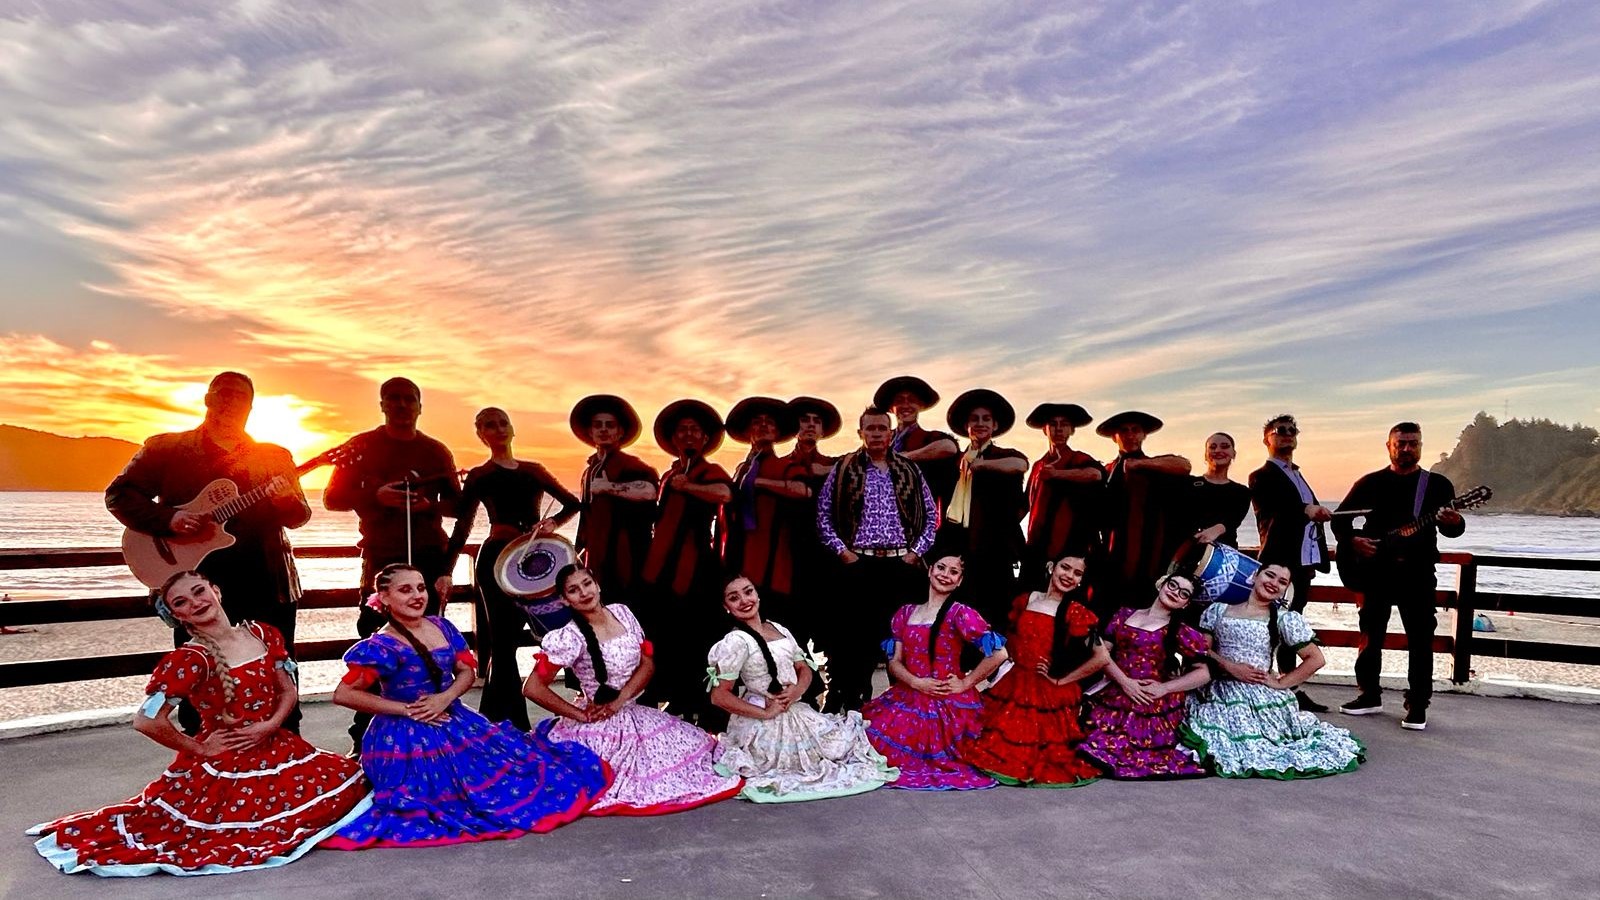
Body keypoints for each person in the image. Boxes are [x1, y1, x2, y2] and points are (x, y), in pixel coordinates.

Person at [28, 571, 369, 875]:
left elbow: (287, 690)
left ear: (216, 591)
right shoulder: (190, 658)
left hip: (279, 744)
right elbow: (146, 721)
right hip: (230, 760)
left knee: (353, 788)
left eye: (198, 591)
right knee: (232, 832)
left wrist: (271, 725)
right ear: (176, 615)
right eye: (182, 602)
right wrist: (200, 748)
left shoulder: (262, 632)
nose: (195, 602)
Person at [324, 564, 608, 848]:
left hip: (452, 715)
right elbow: (344, 694)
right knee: (440, 794)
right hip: (404, 735)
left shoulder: (441, 626)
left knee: (513, 772)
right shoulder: (382, 645)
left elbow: (466, 672)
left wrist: (444, 699)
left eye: (421, 588)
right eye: (405, 590)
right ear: (384, 598)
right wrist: (407, 709)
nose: (417, 596)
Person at [106, 371, 312, 733]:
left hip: (267, 580)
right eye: (224, 393)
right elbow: (118, 495)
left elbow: (299, 515)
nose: (231, 402)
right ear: (207, 398)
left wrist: (285, 501)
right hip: (194, 584)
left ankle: (286, 748)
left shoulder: (274, 456)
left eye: (240, 397)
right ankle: (205, 755)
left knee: (278, 667)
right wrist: (169, 519)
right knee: (201, 670)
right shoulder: (167, 448)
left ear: (251, 406)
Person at [523, 565, 743, 815]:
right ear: (564, 599)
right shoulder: (569, 637)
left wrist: (621, 700)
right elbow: (532, 688)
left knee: (699, 751)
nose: (584, 593)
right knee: (617, 783)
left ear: (597, 584)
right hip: (599, 724)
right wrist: (579, 715)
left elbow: (647, 664)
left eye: (587, 584)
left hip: (630, 710)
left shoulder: (622, 613)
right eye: (573, 590)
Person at [324, 376, 461, 752]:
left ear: (419, 406)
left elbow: (456, 505)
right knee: (376, 637)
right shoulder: (362, 446)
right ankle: (366, 736)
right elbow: (332, 497)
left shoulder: (435, 450)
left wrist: (427, 505)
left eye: (409, 399)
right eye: (393, 399)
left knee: (432, 640)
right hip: (382, 556)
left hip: (430, 555)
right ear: (383, 404)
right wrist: (375, 494)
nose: (401, 405)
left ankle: (436, 724)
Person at [445, 407, 581, 730]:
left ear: (512, 428)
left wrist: (553, 523)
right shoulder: (479, 475)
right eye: (489, 425)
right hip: (497, 559)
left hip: (537, 558)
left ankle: (577, 705)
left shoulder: (533, 470)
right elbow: (461, 521)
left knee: (561, 630)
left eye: (502, 422)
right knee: (502, 644)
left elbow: (572, 503)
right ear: (481, 435)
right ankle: (509, 725)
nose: (498, 428)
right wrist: (445, 570)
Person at [706, 574, 897, 802]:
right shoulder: (735, 641)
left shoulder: (777, 628)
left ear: (757, 594)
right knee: (787, 767)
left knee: (839, 747)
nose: (745, 600)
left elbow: (804, 668)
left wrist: (796, 692)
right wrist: (765, 712)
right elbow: (718, 696)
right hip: (762, 718)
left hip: (794, 709)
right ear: (726, 606)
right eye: (734, 597)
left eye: (748, 592)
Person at [1333, 422, 1466, 730]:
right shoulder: (1370, 482)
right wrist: (1353, 540)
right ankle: (1369, 695)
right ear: (1389, 446)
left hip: (1417, 572)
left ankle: (1418, 704)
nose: (1407, 448)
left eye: (1413, 443)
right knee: (1370, 634)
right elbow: (1340, 520)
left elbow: (1452, 529)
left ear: (1420, 446)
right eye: (1401, 443)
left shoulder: (1437, 485)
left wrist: (1455, 520)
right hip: (1374, 571)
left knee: (1421, 638)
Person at [1181, 564, 1366, 779]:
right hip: (1218, 687)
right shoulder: (1218, 610)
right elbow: (1204, 651)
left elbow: (1315, 659)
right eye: (1270, 575)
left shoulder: (1282, 618)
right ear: (1254, 576)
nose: (1274, 583)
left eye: (1282, 582)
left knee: (1257, 743)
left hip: (1258, 691)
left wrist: (1280, 683)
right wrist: (1229, 666)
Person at [815, 407, 940, 713]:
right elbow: (823, 515)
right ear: (861, 433)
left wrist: (916, 552)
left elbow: (931, 515)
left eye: (881, 428)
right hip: (859, 564)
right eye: (869, 429)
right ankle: (853, 702)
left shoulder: (908, 470)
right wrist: (842, 551)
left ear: (891, 432)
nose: (876, 434)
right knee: (855, 638)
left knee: (901, 638)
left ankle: (903, 707)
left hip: (901, 566)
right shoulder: (845, 468)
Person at [863, 555, 1008, 790]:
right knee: (869, 744)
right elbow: (895, 662)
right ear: (930, 570)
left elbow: (999, 654)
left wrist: (966, 683)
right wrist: (916, 682)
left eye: (953, 572)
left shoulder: (960, 613)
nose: (945, 575)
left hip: (946, 701)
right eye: (941, 567)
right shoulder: (905, 613)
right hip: (908, 694)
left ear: (959, 581)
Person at [962, 553, 1107, 788]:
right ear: (1051, 567)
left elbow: (1101, 658)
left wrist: (1063, 679)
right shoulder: (1027, 599)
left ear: (1081, 581)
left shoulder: (1076, 611)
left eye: (1077, 573)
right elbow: (1009, 644)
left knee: (1033, 749)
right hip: (1015, 682)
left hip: (1048, 690)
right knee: (987, 737)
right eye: (1065, 568)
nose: (1069, 576)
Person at [638, 399, 735, 721]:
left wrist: (690, 486)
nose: (689, 436)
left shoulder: (708, 470)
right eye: (683, 431)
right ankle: (677, 696)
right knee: (667, 632)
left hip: (697, 562)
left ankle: (700, 700)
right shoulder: (670, 473)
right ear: (675, 438)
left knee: (699, 633)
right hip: (663, 563)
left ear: (705, 439)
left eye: (695, 431)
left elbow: (724, 494)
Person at [1079, 573, 1212, 779]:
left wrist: (1165, 688)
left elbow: (1204, 673)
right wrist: (1124, 682)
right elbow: (1101, 655)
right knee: (1088, 743)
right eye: (1173, 585)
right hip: (1116, 687)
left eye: (1183, 593)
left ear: (1186, 604)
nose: (1175, 592)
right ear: (1161, 584)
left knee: (1131, 748)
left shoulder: (1180, 631)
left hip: (1148, 697)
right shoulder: (1124, 614)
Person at [1248, 414, 1334, 713]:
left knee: (1291, 624)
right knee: (1280, 627)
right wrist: (1307, 509)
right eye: (1279, 431)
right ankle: (1284, 688)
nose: (1286, 435)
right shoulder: (1261, 475)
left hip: (1301, 564)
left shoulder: (1297, 474)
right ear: (1267, 439)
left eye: (1291, 431)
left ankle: (1289, 686)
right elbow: (1275, 510)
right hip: (1280, 563)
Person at [936, 388, 1029, 630]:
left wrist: (982, 465)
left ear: (995, 425)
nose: (980, 424)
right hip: (959, 547)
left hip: (994, 550)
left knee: (995, 614)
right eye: (974, 419)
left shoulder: (1004, 455)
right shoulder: (955, 461)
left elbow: (1021, 464)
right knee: (959, 613)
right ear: (966, 425)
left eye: (986, 419)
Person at [722, 397, 809, 630]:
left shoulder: (786, 465)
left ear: (777, 431)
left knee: (781, 631)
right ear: (748, 431)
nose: (763, 426)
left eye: (769, 422)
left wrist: (760, 482)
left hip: (777, 563)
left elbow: (804, 490)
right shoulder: (741, 469)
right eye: (757, 422)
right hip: (741, 561)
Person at [1098, 410, 1192, 617]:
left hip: (1146, 560)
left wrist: (1138, 464)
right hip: (1108, 558)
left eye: (1135, 430)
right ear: (1115, 436)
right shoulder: (1106, 470)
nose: (1130, 435)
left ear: (1144, 435)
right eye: (1124, 431)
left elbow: (1184, 465)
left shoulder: (1155, 467)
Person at [571, 394, 659, 599]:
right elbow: (587, 515)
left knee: (630, 609)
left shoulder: (632, 465)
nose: (603, 429)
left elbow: (649, 491)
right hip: (597, 555)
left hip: (629, 556)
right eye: (598, 425)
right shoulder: (590, 469)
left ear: (620, 432)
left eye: (610, 425)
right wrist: (579, 548)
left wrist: (608, 487)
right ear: (590, 432)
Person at [780, 395, 844, 654]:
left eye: (816, 421)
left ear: (822, 430)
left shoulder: (835, 465)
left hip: (826, 554)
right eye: (804, 420)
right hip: (788, 552)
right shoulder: (779, 465)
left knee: (830, 624)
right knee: (789, 624)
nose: (810, 425)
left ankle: (838, 690)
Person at [1021, 403, 1105, 590]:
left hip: (1069, 549)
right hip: (1036, 548)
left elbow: (1095, 474)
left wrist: (1057, 475)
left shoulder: (1078, 459)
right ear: (1045, 429)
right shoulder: (1038, 466)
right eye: (1053, 424)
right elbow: (1025, 504)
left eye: (1064, 424)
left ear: (1071, 430)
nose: (1058, 429)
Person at [874, 375, 961, 509]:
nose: (906, 405)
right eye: (899, 401)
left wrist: (904, 457)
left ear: (920, 406)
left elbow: (949, 447)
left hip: (920, 512)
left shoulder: (931, 437)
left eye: (912, 400)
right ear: (891, 408)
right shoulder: (881, 441)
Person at [1189, 432, 1252, 550]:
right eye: (1212, 447)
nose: (1218, 450)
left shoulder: (1241, 492)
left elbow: (1233, 519)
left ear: (1233, 454)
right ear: (1205, 455)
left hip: (1224, 559)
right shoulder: (1190, 484)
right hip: (1189, 556)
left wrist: (1217, 529)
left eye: (1225, 446)